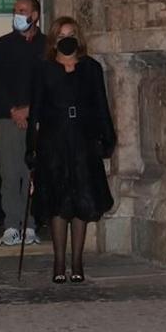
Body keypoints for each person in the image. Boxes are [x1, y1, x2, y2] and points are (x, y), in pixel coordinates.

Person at [30, 16, 117, 282]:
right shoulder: (44, 69)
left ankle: (77, 262)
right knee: (59, 202)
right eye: (62, 35)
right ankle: (58, 262)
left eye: (72, 34)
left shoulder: (91, 67)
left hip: (82, 139)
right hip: (53, 141)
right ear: (54, 41)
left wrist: (107, 138)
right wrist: (31, 149)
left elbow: (101, 105)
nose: (67, 39)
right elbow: (35, 111)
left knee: (82, 200)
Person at [0, 0, 45, 246]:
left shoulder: (46, 45)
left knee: (33, 173)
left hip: (38, 118)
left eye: (22, 11)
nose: (18, 15)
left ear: (35, 16)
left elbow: (49, 83)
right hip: (8, 118)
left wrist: (30, 110)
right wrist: (12, 110)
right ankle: (12, 223)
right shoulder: (1, 45)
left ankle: (31, 223)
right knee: (10, 172)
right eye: (15, 11)